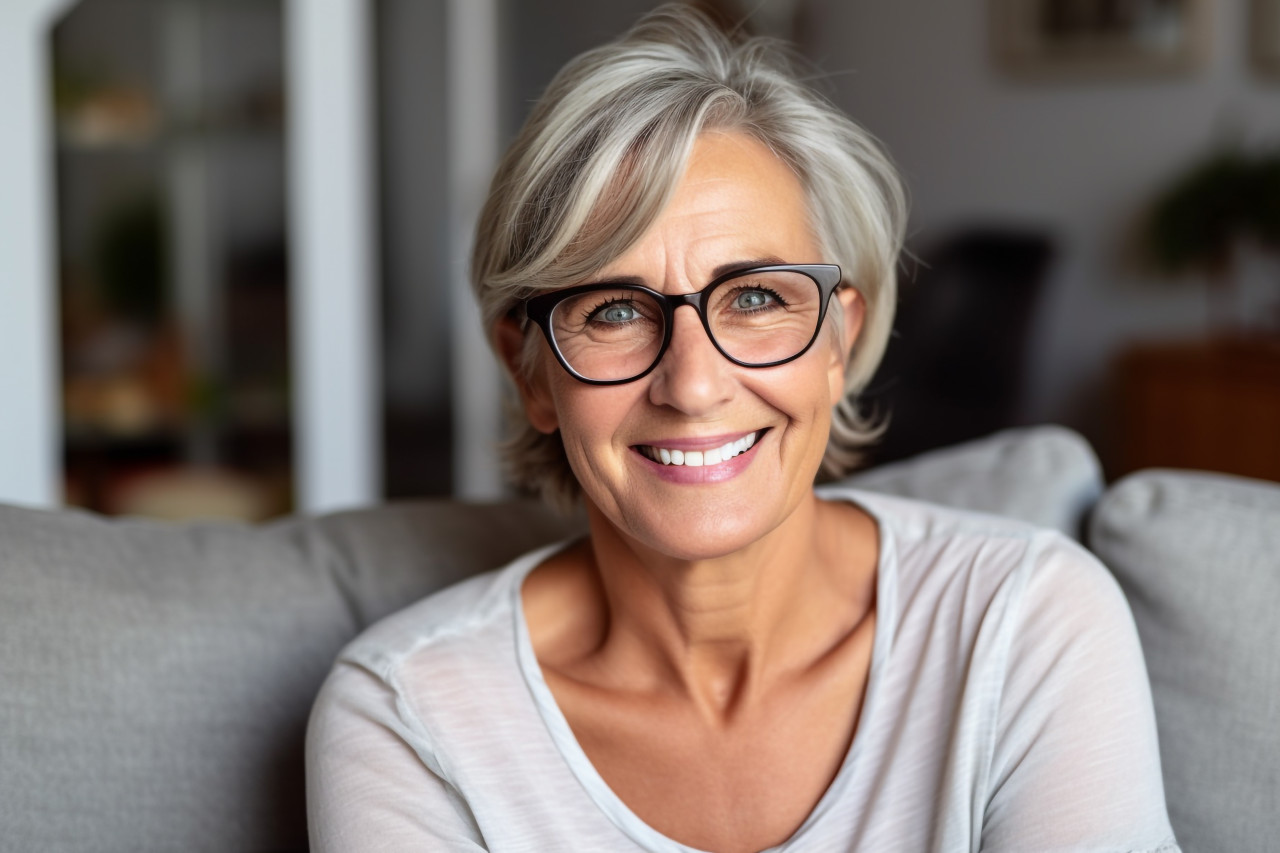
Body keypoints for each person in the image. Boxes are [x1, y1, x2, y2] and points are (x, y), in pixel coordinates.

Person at [306, 6, 1179, 851]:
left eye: (756, 296)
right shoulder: (407, 715)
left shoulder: (1025, 623)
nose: (691, 383)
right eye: (613, 309)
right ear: (529, 370)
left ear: (839, 338)